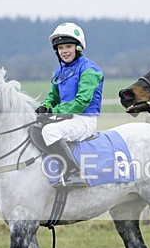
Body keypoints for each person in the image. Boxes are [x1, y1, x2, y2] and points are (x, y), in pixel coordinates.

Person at [36, 22, 104, 187]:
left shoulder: (90, 70)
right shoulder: (58, 71)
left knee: (50, 131)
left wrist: (53, 111)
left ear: (78, 48)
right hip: (65, 117)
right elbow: (54, 96)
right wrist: (45, 107)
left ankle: (74, 173)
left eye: (68, 46)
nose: (64, 51)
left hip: (84, 119)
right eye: (60, 48)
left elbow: (82, 102)